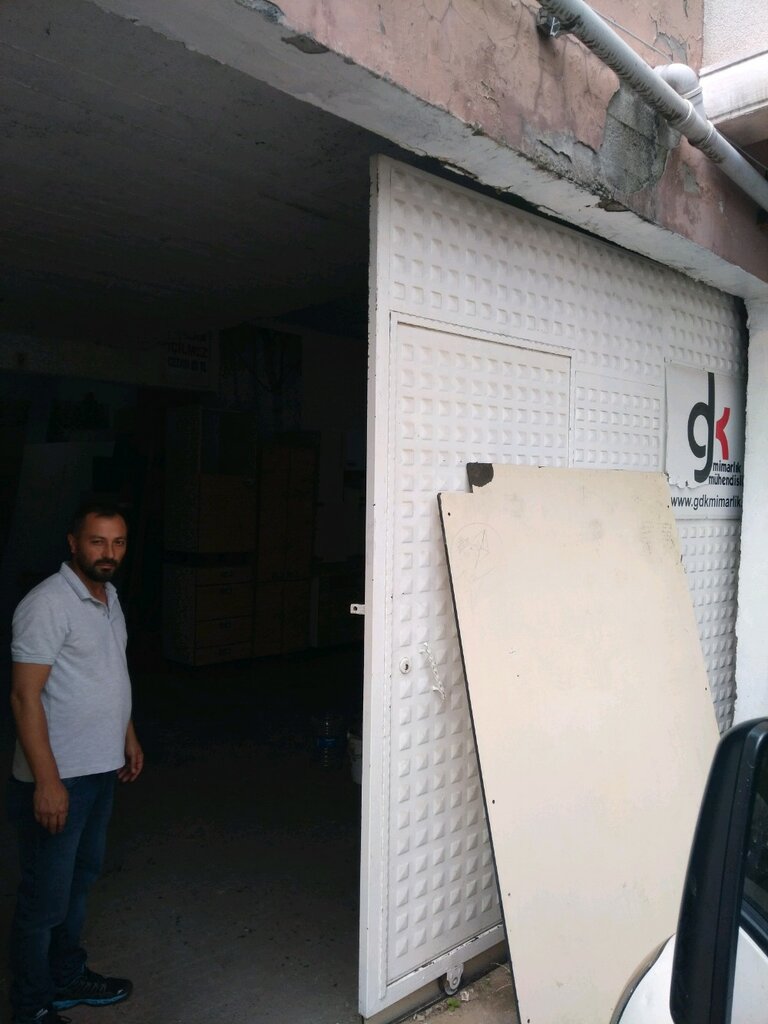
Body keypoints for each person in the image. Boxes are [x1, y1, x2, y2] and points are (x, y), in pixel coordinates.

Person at [8, 502, 143, 1024]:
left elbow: (110, 673)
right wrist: (46, 782)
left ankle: (65, 978)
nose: (109, 553)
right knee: (44, 900)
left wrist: (127, 735)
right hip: (59, 775)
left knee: (79, 882)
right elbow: (25, 696)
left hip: (99, 768)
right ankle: (31, 1006)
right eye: (97, 541)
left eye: (118, 542)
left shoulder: (109, 597)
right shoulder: (47, 604)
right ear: (73, 543)